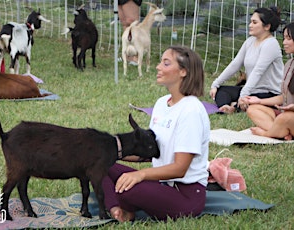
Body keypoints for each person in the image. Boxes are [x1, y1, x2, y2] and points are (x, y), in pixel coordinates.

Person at [102, 45, 210, 222]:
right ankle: (117, 209)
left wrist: (140, 174)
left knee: (129, 188)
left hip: (184, 194)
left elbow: (180, 169)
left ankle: (121, 204)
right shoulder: (161, 103)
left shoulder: (191, 110)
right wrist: (109, 151)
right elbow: (151, 153)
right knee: (97, 163)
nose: (158, 67)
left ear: (183, 71)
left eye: (166, 63)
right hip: (161, 184)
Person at [209, 7, 283, 114]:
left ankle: (235, 106)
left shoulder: (271, 44)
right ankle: (227, 106)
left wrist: (243, 95)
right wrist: (215, 84)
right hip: (252, 91)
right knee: (221, 91)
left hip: (268, 93)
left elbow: (258, 71)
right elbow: (235, 64)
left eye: (254, 22)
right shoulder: (250, 41)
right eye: (250, 22)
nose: (250, 25)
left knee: (250, 101)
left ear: (267, 26)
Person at [245, 22, 294, 140]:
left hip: (289, 117)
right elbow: (284, 97)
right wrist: (259, 101)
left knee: (285, 118)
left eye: (289, 38)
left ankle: (267, 133)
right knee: (253, 109)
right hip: (285, 114)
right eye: (284, 38)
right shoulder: (289, 64)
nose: (284, 43)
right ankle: (280, 131)